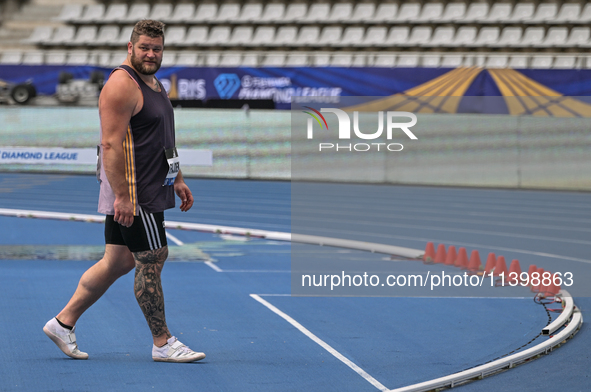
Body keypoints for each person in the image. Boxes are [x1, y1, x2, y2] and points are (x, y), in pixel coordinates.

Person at [43, 20, 205, 363]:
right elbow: (110, 144)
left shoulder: (154, 83)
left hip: (149, 184)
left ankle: (62, 323)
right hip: (135, 190)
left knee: (117, 261)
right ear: (130, 47)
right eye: (144, 47)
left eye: (156, 48)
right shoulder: (122, 84)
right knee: (152, 257)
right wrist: (122, 196)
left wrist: (177, 178)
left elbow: (165, 139)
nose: (150, 53)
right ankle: (162, 342)